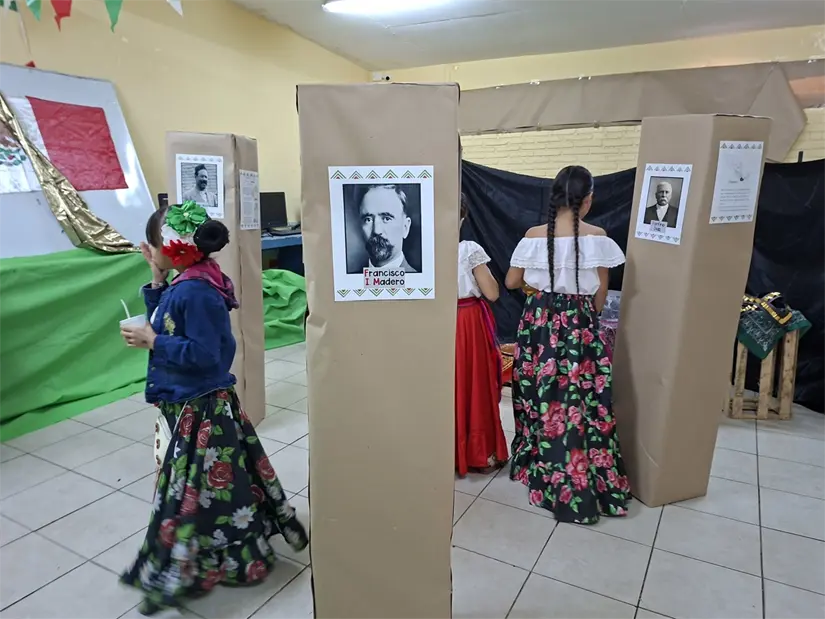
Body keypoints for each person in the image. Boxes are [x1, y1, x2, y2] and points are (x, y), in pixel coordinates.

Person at [119, 200, 308, 615]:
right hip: (192, 402)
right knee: (214, 483)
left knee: (192, 489)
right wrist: (155, 278)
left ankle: (195, 559)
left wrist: (153, 343)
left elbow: (207, 355)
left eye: (154, 245)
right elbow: (168, 322)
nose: (149, 251)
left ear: (175, 245)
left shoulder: (197, 289)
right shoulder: (189, 280)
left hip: (199, 407)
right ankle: (227, 541)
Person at [504, 165, 630, 524]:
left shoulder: (532, 236)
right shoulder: (598, 237)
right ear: (588, 199)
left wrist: (539, 289)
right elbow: (600, 295)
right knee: (583, 399)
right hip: (579, 325)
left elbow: (512, 281)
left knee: (541, 395)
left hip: (539, 323)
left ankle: (544, 466)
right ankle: (589, 474)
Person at [455, 194, 508, 477]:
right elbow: (492, 293)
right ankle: (479, 452)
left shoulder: (419, 248)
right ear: (461, 218)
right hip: (466, 323)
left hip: (435, 324)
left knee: (450, 386)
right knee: (474, 384)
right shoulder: (467, 249)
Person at [356, 184, 418, 272]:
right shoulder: (349, 281)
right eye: (368, 220)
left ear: (405, 227)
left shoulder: (419, 282)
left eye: (387, 219)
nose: (376, 231)